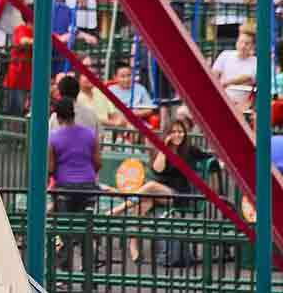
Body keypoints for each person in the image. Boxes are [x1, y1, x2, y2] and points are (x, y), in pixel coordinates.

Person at [110, 120, 214, 262]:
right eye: (174, 132)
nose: (178, 135)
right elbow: (158, 169)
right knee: (144, 203)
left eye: (180, 131)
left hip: (180, 195)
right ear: (167, 134)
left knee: (151, 187)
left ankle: (118, 209)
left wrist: (222, 164)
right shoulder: (161, 150)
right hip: (161, 193)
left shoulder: (190, 149)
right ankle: (133, 245)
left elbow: (210, 158)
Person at [48, 97, 102, 269]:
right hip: (88, 186)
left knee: (65, 233)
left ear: (57, 116)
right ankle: (88, 273)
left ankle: (65, 274)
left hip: (64, 188)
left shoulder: (53, 138)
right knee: (86, 232)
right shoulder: (89, 134)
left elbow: (50, 167)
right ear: (74, 113)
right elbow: (98, 162)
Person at [212, 23, 256, 108]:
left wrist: (226, 83)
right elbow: (214, 73)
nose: (243, 46)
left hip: (239, 105)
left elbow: (246, 78)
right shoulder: (225, 54)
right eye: (241, 42)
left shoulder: (255, 62)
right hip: (220, 99)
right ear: (237, 41)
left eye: (247, 44)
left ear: (253, 46)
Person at [4, 14, 32, 116]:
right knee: (16, 111)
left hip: (30, 78)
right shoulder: (20, 29)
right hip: (18, 78)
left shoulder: (38, 31)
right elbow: (22, 41)